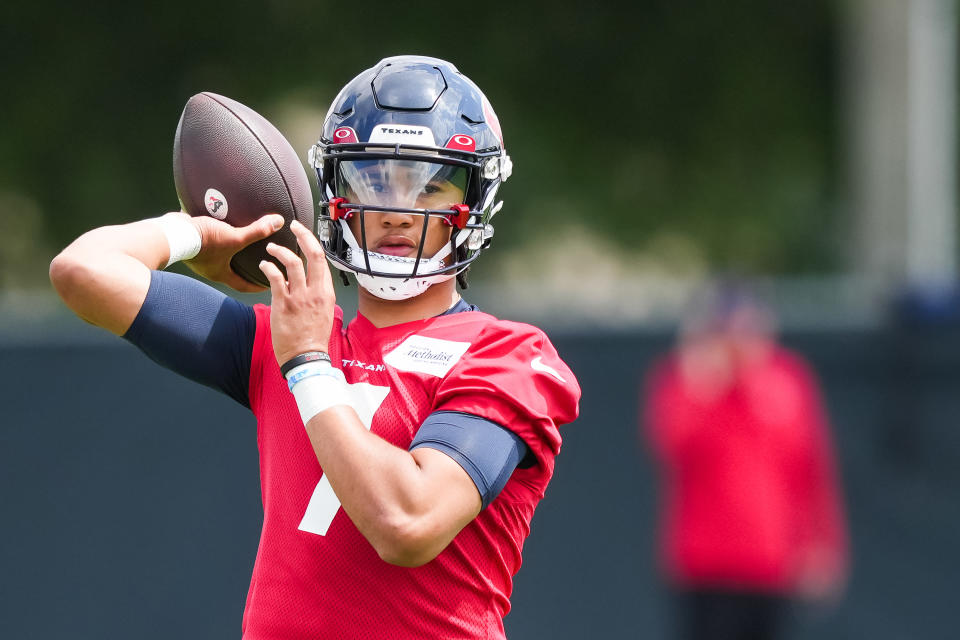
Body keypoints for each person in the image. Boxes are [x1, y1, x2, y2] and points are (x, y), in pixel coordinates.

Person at [49, 55, 580, 639]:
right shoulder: (289, 330)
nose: (396, 210)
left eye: (430, 184)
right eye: (371, 179)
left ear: (472, 200)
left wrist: (307, 365)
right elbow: (83, 271)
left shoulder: (508, 356)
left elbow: (407, 522)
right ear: (331, 193)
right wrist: (193, 234)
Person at [641, 283, 848, 640]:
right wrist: (703, 380)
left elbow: (813, 469)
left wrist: (823, 543)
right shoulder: (688, 380)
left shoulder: (788, 380)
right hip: (708, 567)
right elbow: (669, 443)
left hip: (772, 564)